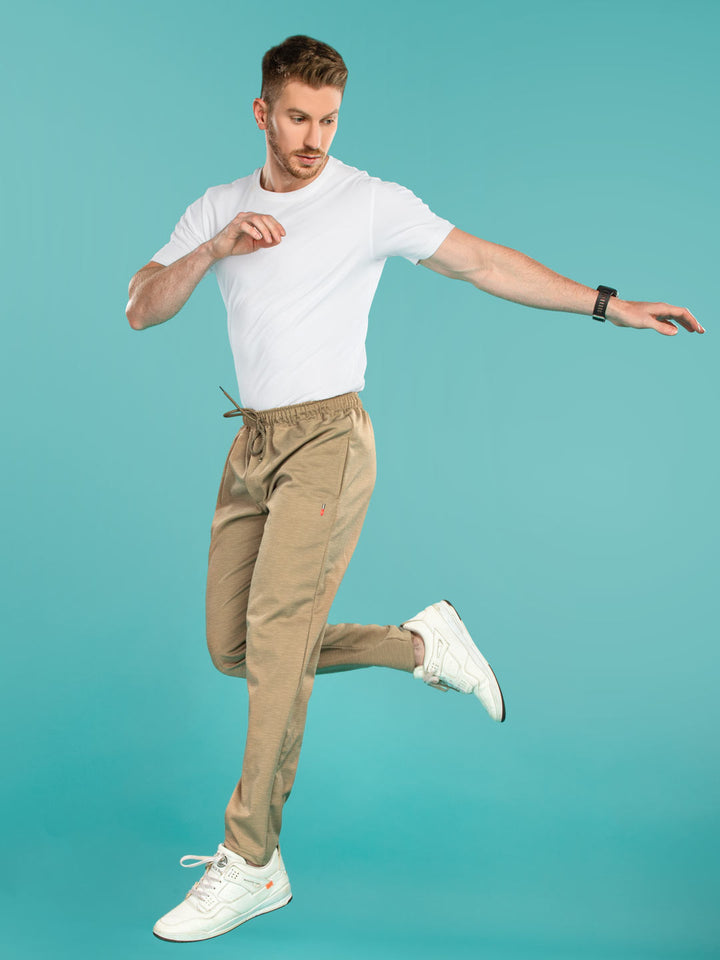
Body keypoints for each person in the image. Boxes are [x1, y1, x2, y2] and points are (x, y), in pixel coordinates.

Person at [125, 34, 704, 944]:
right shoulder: (219, 206)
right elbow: (141, 306)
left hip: (328, 442)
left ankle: (252, 858)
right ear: (262, 113)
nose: (313, 139)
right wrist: (216, 246)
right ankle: (421, 645)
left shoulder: (367, 202)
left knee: (275, 644)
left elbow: (481, 262)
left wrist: (608, 303)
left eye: (329, 121)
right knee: (234, 648)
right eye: (297, 119)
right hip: (252, 445)